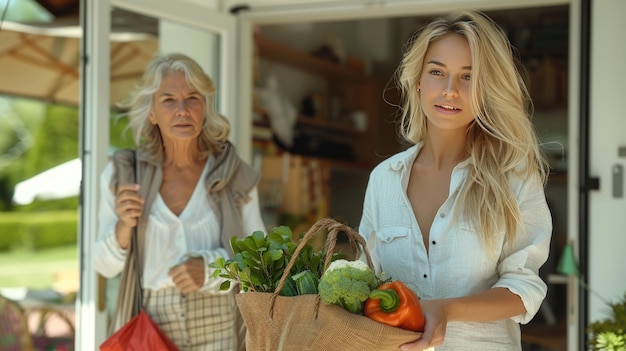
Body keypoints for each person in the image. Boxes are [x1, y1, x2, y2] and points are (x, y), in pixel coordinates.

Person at [358, 10, 552, 350]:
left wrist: (446, 309)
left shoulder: (514, 177)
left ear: (487, 88)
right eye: (437, 72)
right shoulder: (383, 181)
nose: (450, 90)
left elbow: (524, 288)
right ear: (418, 81)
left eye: (468, 77)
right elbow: (365, 280)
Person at [94, 52, 265, 351]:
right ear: (151, 112)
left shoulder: (234, 174)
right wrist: (124, 226)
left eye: (193, 98)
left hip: (221, 324)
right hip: (150, 325)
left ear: (205, 108)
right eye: (168, 100)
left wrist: (210, 270)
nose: (182, 110)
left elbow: (262, 262)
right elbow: (103, 266)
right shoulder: (123, 174)